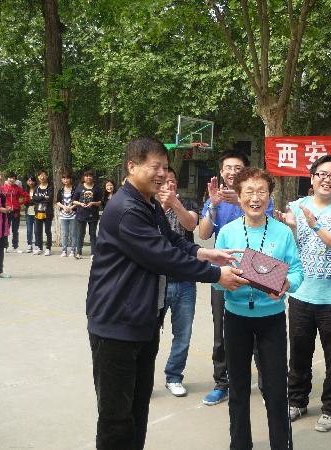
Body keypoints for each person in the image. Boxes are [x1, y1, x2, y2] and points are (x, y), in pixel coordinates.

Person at [86, 137, 248, 450]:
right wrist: (217, 275)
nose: (162, 173)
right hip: (116, 325)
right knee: (116, 417)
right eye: (155, 166)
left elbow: (172, 240)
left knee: (138, 409)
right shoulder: (127, 209)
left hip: (143, 321)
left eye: (165, 166)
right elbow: (163, 257)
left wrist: (204, 253)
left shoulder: (146, 202)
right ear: (132, 166)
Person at [214, 167, 303, 450]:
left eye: (262, 191)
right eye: (249, 191)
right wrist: (225, 282)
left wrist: (287, 283)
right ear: (238, 196)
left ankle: (282, 444)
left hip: (271, 320)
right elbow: (215, 277)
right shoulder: (227, 232)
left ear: (270, 196)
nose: (255, 198)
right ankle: (240, 444)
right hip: (236, 319)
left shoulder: (282, 232)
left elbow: (297, 271)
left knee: (276, 389)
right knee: (238, 388)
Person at [275, 155, 331, 432]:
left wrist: (315, 225)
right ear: (312, 177)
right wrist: (291, 226)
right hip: (300, 294)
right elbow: (291, 248)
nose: (327, 180)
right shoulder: (297, 206)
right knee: (299, 353)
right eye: (322, 174)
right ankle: (296, 400)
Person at [198, 150, 273, 406]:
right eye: (228, 168)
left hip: (256, 268)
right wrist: (213, 205)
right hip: (224, 271)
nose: (232, 172)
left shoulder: (258, 197)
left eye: (237, 168)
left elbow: (267, 223)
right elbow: (204, 234)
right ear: (221, 172)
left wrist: (240, 201)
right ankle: (222, 383)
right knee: (221, 332)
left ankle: (267, 385)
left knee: (260, 331)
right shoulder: (214, 198)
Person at [160, 168, 201, 397]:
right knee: (147, 334)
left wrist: (174, 203)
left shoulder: (187, 203)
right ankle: (141, 377)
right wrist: (162, 205)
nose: (169, 185)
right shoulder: (148, 207)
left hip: (185, 280)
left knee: (183, 334)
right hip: (156, 281)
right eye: (164, 182)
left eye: (172, 181)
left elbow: (190, 225)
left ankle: (174, 376)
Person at [73, 170, 102, 259]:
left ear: (92, 177)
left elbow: (100, 202)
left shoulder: (97, 188)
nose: (88, 177)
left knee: (92, 234)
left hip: (93, 214)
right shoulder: (79, 187)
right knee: (80, 234)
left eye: (90, 176)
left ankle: (93, 253)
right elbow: (74, 201)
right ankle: (79, 253)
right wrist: (80, 204)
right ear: (84, 177)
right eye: (86, 176)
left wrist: (93, 203)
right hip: (81, 214)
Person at [3, 172, 29, 253]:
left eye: (14, 178)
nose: (12, 179)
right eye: (10, 178)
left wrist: (19, 203)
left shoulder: (17, 188)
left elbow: (26, 196)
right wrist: (4, 206)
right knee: (5, 229)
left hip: (16, 211)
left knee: (15, 230)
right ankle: (4, 246)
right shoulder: (2, 188)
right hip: (6, 211)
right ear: (7, 178)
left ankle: (15, 247)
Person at [33, 169, 54, 256]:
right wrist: (44, 197)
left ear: (47, 176)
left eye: (44, 175)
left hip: (48, 212)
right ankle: (39, 247)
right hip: (38, 212)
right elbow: (34, 199)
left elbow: (50, 199)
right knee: (38, 231)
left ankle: (48, 248)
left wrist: (39, 198)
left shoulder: (50, 187)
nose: (42, 177)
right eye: (40, 175)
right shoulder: (36, 188)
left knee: (47, 230)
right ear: (38, 177)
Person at [56, 173, 77, 257]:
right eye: (64, 178)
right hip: (63, 214)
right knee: (64, 233)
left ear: (70, 179)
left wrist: (71, 208)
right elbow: (57, 201)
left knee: (73, 233)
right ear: (62, 180)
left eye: (67, 178)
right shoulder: (61, 190)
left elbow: (78, 200)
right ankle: (64, 250)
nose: (66, 180)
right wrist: (64, 207)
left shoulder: (75, 189)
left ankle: (73, 250)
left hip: (73, 214)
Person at [24, 176, 37, 253]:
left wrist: (30, 201)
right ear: (26, 182)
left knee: (36, 230)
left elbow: (38, 200)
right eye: (29, 181)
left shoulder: (37, 189)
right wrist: (31, 201)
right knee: (29, 229)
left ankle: (36, 245)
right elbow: (24, 201)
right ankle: (29, 244)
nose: (30, 182)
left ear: (35, 181)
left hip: (36, 211)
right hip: (28, 211)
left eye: (32, 181)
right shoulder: (25, 190)